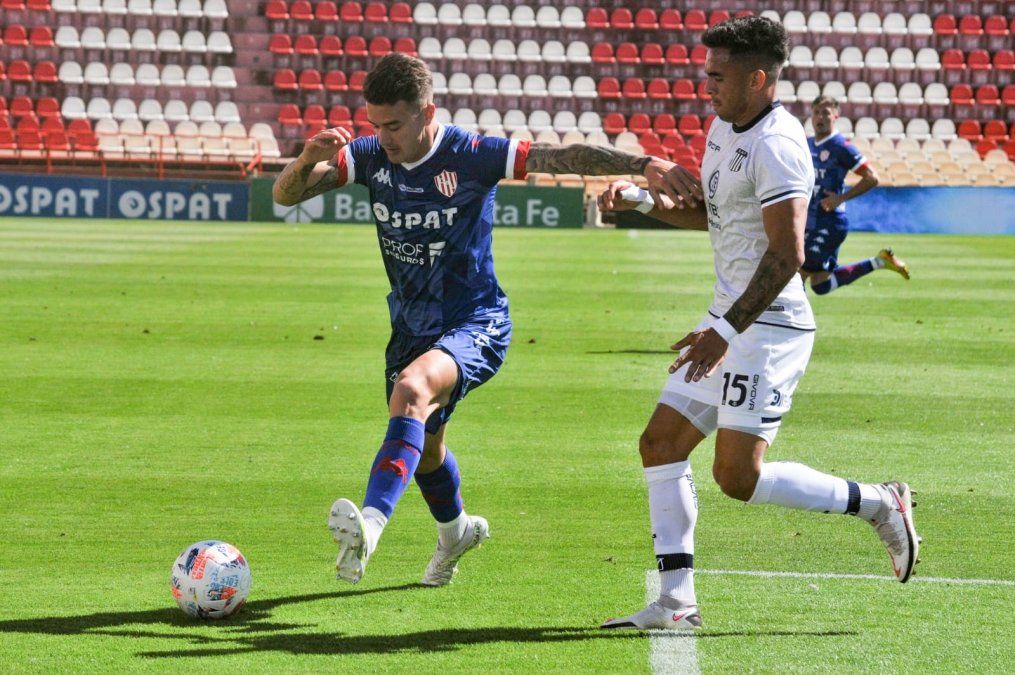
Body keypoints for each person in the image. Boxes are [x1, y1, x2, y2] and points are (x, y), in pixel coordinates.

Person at [273, 53, 672, 587]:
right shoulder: (370, 157)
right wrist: (306, 158)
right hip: (411, 327)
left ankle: (369, 528)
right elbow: (285, 194)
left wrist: (640, 163)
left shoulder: (473, 153)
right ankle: (456, 533)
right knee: (426, 449)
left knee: (412, 391)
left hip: (475, 320)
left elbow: (560, 156)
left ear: (427, 112)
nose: (383, 137)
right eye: (375, 124)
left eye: (394, 125)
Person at [596, 17, 921, 630]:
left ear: (759, 78)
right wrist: (639, 201)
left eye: (718, 76)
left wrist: (726, 330)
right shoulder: (724, 126)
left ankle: (880, 503)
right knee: (659, 445)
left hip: (769, 328)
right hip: (730, 321)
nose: (706, 86)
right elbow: (713, 216)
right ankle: (675, 603)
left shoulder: (778, 143)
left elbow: (788, 254)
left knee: (736, 478)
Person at [802, 96, 910, 294]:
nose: (820, 117)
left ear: (836, 116)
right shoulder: (805, 144)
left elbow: (872, 178)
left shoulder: (842, 147)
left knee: (797, 272)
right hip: (808, 219)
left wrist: (840, 199)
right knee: (821, 284)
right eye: (816, 112)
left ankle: (787, 323)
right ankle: (878, 262)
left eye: (825, 113)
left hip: (828, 222)